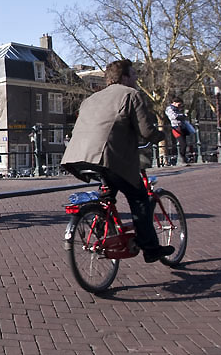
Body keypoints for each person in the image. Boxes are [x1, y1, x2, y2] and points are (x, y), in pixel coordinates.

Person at [60, 59, 176, 263]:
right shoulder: (131, 94)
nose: (136, 78)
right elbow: (146, 131)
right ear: (124, 77)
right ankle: (150, 248)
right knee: (139, 197)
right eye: (133, 74)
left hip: (77, 157)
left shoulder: (91, 98)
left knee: (108, 192)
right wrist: (162, 135)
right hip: (107, 156)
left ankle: (101, 226)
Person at [164, 96, 195, 165]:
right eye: (179, 104)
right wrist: (183, 115)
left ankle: (184, 158)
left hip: (182, 127)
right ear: (174, 102)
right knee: (183, 143)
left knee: (184, 144)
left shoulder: (177, 109)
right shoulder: (170, 109)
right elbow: (173, 116)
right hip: (176, 128)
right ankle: (182, 159)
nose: (180, 105)